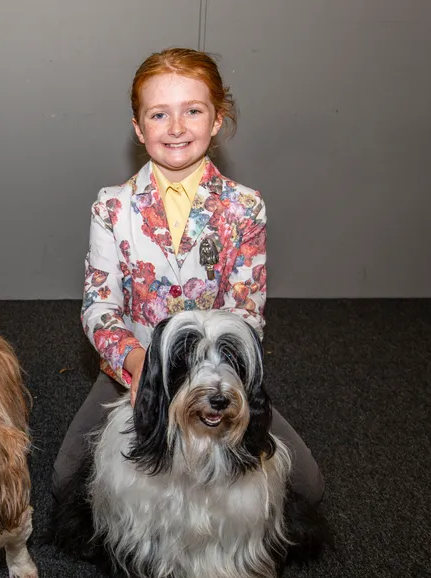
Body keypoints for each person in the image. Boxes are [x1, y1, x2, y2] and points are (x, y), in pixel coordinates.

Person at [52, 48, 324, 506]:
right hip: (135, 369)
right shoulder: (112, 207)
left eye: (192, 111)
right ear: (139, 129)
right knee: (66, 482)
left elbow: (246, 312)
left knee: (307, 488)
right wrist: (140, 364)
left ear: (217, 119)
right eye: (159, 115)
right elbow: (99, 308)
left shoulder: (244, 206)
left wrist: (207, 368)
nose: (176, 128)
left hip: (216, 369)